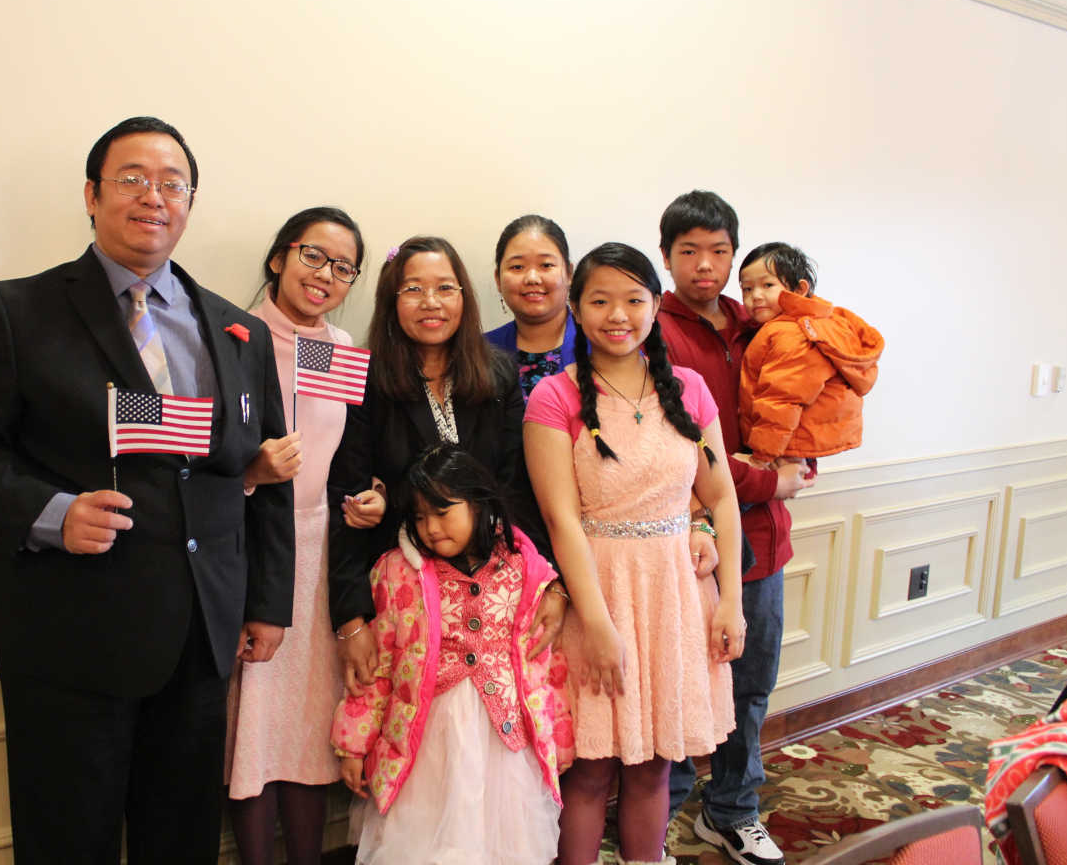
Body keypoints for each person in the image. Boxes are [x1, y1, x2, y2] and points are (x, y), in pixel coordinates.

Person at [0, 116, 294, 865]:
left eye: (172, 183)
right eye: (131, 179)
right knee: (69, 841)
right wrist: (53, 513)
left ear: (190, 203)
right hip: (69, 630)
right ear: (92, 196)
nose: (152, 196)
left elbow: (263, 469)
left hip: (198, 634)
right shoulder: (19, 310)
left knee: (182, 840)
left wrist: (264, 602)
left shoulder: (234, 329)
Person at [525, 242, 745, 865]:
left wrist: (731, 602)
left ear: (654, 307)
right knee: (591, 770)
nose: (616, 315)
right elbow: (560, 520)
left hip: (677, 595)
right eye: (599, 300)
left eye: (633, 300)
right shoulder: (554, 397)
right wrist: (594, 624)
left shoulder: (691, 390)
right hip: (598, 593)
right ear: (576, 307)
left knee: (654, 766)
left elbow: (721, 500)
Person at [326, 236, 561, 697]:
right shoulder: (362, 377)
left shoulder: (499, 373)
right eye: (413, 289)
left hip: (495, 592)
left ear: (464, 297)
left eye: (445, 288)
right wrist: (350, 622)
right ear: (391, 301)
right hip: (403, 596)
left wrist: (553, 583)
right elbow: (346, 500)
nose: (430, 303)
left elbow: (520, 487)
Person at [656, 191, 814, 865]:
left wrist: (801, 460)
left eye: (719, 251)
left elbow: (807, 408)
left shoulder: (763, 323)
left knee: (751, 682)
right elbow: (675, 450)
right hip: (684, 541)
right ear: (666, 257)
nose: (706, 266)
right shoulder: (651, 329)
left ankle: (732, 810)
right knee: (682, 680)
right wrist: (764, 479)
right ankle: (658, 813)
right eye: (689, 251)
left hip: (761, 543)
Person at [331, 444, 571, 864]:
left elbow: (542, 664)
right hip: (424, 747)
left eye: (443, 512)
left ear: (478, 504)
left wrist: (558, 737)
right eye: (420, 517)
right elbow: (380, 668)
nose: (431, 528)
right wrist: (353, 745)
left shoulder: (521, 568)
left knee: (502, 845)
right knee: (424, 844)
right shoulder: (396, 573)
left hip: (504, 745)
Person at [226, 207, 365, 865]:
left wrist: (368, 498)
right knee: (252, 725)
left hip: (321, 554)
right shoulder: (232, 337)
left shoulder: (341, 349)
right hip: (251, 546)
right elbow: (194, 455)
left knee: (310, 724)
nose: (326, 275)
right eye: (315, 256)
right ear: (281, 257)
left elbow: (346, 457)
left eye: (343, 268)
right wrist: (250, 474)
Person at [735, 242, 883, 468]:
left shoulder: (792, 335)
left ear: (799, 289)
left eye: (768, 285)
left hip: (785, 445)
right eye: (747, 288)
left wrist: (760, 457)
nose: (755, 295)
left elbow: (782, 399)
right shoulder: (807, 323)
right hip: (794, 439)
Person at [484, 214, 577, 401]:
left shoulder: (601, 345)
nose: (532, 278)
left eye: (546, 265)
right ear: (498, 279)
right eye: (517, 267)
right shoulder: (479, 352)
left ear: (569, 274)